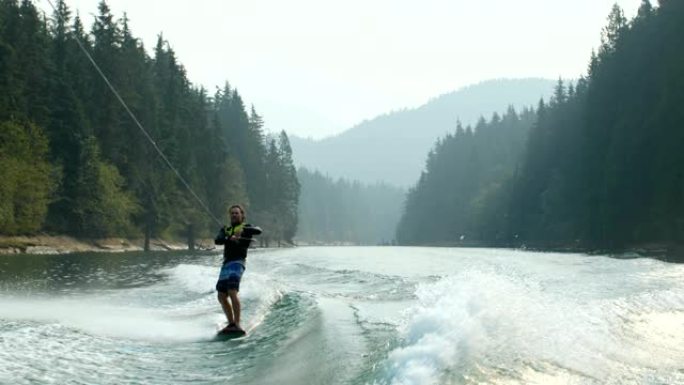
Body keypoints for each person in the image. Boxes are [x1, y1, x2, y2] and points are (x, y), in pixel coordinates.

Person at [214, 204, 261, 333]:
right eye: (232, 213)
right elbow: (217, 240)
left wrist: (242, 232)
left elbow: (258, 230)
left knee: (232, 291)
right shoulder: (226, 229)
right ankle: (231, 324)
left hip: (238, 262)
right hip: (226, 263)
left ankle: (238, 324)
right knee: (221, 296)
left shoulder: (246, 227)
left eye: (237, 213)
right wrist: (229, 237)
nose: (234, 215)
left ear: (242, 215)